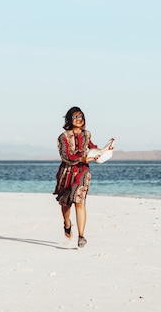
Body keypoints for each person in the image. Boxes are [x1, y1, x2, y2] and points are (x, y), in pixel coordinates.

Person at [53, 106, 112, 248]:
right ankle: (67, 223)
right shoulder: (63, 137)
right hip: (66, 173)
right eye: (75, 117)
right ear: (69, 120)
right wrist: (81, 159)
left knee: (80, 202)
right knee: (66, 203)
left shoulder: (87, 134)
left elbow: (92, 148)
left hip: (83, 172)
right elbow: (65, 156)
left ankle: (81, 235)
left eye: (81, 116)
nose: (79, 119)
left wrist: (105, 149)